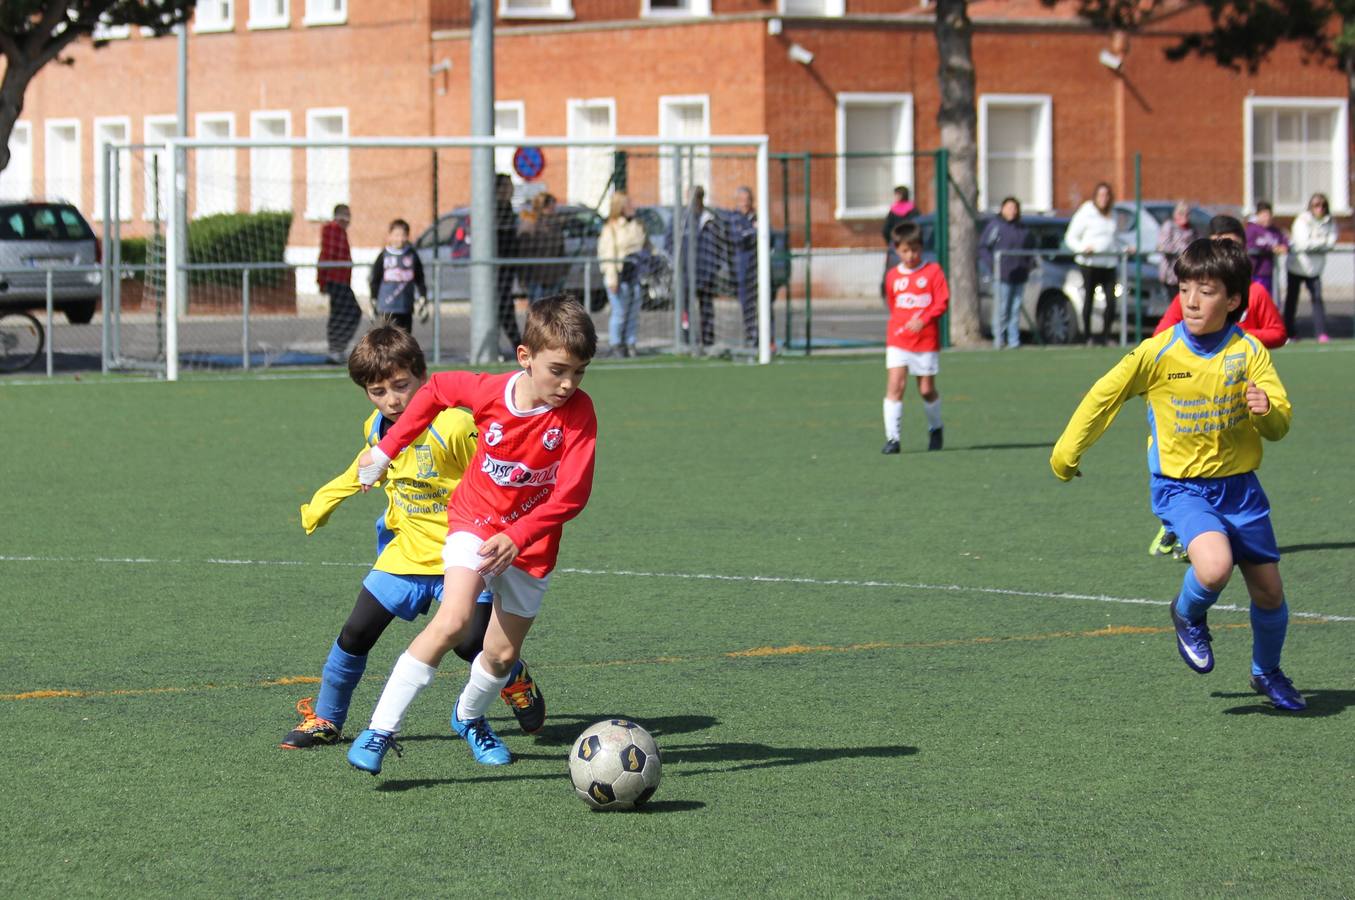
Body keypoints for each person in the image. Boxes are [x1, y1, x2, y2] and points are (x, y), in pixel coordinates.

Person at [346, 295, 598, 773]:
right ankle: (380, 730)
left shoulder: (579, 413)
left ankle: (468, 717)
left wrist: (520, 535)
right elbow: (437, 388)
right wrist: (386, 451)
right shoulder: (489, 392)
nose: (568, 384)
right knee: (453, 620)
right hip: (476, 522)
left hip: (532, 543)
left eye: (579, 373)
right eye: (558, 370)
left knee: (501, 655)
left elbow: (572, 494)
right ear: (525, 357)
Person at [1051, 238, 1304, 712]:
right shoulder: (1158, 351)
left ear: (1232, 300)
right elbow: (1104, 396)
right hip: (1182, 488)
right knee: (1213, 566)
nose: (1190, 300)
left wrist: (1266, 410)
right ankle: (1187, 613)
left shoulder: (1248, 352)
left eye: (1205, 291)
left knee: (1270, 593)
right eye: (1184, 287)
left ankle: (1266, 672)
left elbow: (1279, 425)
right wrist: (1066, 453)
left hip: (1242, 490)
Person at [281, 325, 545, 750]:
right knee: (356, 632)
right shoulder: (376, 426)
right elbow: (364, 466)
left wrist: (512, 529)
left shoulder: (455, 426)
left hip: (463, 550)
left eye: (402, 386)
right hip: (406, 552)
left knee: (472, 645)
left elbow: (499, 468)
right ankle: (327, 719)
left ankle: (513, 675)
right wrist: (321, 504)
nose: (392, 400)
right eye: (377, 391)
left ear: (423, 376)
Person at [1146, 215, 1287, 559]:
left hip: (1240, 380)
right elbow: (1161, 335)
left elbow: (1278, 333)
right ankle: (1177, 526)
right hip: (1191, 391)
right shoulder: (1194, 296)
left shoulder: (1256, 293)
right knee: (1188, 460)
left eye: (1232, 244)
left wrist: (1239, 342)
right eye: (1218, 242)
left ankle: (1218, 529)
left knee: (1225, 452)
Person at [881, 222, 948, 455]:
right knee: (895, 386)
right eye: (905, 251)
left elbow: (942, 301)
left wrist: (924, 319)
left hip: (926, 341)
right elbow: (892, 304)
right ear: (897, 250)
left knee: (926, 390)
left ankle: (936, 428)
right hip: (898, 340)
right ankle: (893, 439)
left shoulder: (933, 272)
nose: (911, 255)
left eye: (915, 250)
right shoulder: (892, 277)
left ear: (922, 248)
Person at [1063, 182, 1122, 345]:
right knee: (1089, 298)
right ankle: (1088, 336)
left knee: (1111, 301)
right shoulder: (1086, 212)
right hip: (1089, 263)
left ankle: (1106, 335)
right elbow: (1070, 237)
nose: (1104, 198)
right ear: (1095, 197)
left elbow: (1114, 239)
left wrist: (1123, 248)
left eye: (1107, 195)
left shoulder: (1113, 214)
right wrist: (1082, 248)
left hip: (1109, 263)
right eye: (1101, 195)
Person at [978, 197, 1034, 349]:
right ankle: (999, 339)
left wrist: (1028, 265)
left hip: (1019, 274)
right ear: (1002, 209)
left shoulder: (1023, 229)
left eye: (1014, 208)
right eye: (1009, 208)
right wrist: (994, 266)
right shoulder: (995, 226)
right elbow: (984, 248)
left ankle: (1014, 340)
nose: (1012, 211)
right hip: (1002, 275)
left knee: (1015, 309)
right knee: (1002, 309)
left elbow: (1030, 249)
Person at [670, 185, 721, 349]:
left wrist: (715, 266)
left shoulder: (710, 218)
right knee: (684, 309)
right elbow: (669, 242)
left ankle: (707, 340)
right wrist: (675, 262)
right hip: (685, 273)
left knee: (706, 308)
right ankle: (686, 339)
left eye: (696, 197)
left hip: (705, 272)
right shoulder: (680, 218)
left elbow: (718, 246)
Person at [598, 191, 647, 357]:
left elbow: (646, 246)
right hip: (620, 276)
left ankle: (630, 343)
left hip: (636, 274)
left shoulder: (637, 225)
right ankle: (616, 343)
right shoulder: (611, 228)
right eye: (628, 204)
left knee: (633, 312)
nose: (632, 207)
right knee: (619, 312)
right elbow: (607, 254)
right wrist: (612, 279)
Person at [1284, 192, 1336, 343]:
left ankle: (1321, 333)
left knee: (1317, 299)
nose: (1320, 208)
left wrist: (1316, 244)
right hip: (1297, 266)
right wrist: (1321, 243)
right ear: (1310, 207)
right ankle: (1289, 332)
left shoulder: (1330, 222)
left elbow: (1331, 242)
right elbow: (1303, 243)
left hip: (1315, 269)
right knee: (1292, 300)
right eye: (1316, 205)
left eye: (1323, 205)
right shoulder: (1302, 220)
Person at [367, 219, 427, 334]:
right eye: (396, 235)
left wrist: (422, 297)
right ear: (390, 236)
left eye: (403, 235)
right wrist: (373, 300)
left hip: (405, 306)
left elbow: (420, 278)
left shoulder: (411, 254)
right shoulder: (384, 255)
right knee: (387, 338)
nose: (399, 239)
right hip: (387, 306)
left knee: (405, 339)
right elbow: (375, 279)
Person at [318, 203, 361, 363]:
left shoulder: (341, 232)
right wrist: (322, 280)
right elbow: (326, 255)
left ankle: (338, 348)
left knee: (348, 313)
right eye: (345, 215)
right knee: (344, 313)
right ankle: (335, 349)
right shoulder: (332, 229)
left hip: (342, 280)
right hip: (335, 280)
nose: (348, 219)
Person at [518, 192, 568, 302]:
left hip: (554, 275)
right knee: (538, 311)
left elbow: (561, 249)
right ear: (543, 206)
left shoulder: (555, 225)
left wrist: (563, 270)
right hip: (535, 278)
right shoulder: (531, 223)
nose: (554, 209)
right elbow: (524, 251)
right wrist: (523, 276)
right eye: (551, 206)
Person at [729, 186, 761, 348]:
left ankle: (766, 337)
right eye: (742, 200)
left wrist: (752, 231)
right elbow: (738, 238)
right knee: (747, 304)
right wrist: (753, 232)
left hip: (759, 268)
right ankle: (751, 335)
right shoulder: (734, 218)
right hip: (742, 268)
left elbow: (767, 234)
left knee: (763, 303)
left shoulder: (758, 216)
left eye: (747, 200)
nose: (745, 203)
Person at [494, 173, 523, 352]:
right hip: (497, 267)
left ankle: (516, 344)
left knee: (504, 304)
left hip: (508, 265)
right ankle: (516, 344)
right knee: (502, 305)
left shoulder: (509, 208)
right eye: (505, 186)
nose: (509, 190)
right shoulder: (495, 210)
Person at [880, 185, 917, 298]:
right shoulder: (914, 210)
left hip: (896, 245)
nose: (895, 197)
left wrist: (891, 242)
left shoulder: (893, 212)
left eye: (897, 194)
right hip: (911, 243)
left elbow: (885, 230)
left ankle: (890, 291)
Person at [1156, 200, 1196, 305]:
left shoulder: (1192, 229)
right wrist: (1181, 251)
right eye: (1181, 213)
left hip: (1187, 271)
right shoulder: (1169, 226)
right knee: (1175, 302)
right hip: (1171, 272)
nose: (1185, 216)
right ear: (1176, 214)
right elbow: (1163, 246)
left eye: (1187, 214)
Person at [1244, 201, 1287, 298]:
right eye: (1264, 215)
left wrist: (1284, 246)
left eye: (1269, 215)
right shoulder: (1252, 229)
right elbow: (1249, 246)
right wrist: (1271, 249)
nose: (1267, 218)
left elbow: (1284, 240)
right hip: (1256, 273)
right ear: (1257, 215)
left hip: (1270, 272)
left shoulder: (1274, 230)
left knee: (1271, 300)